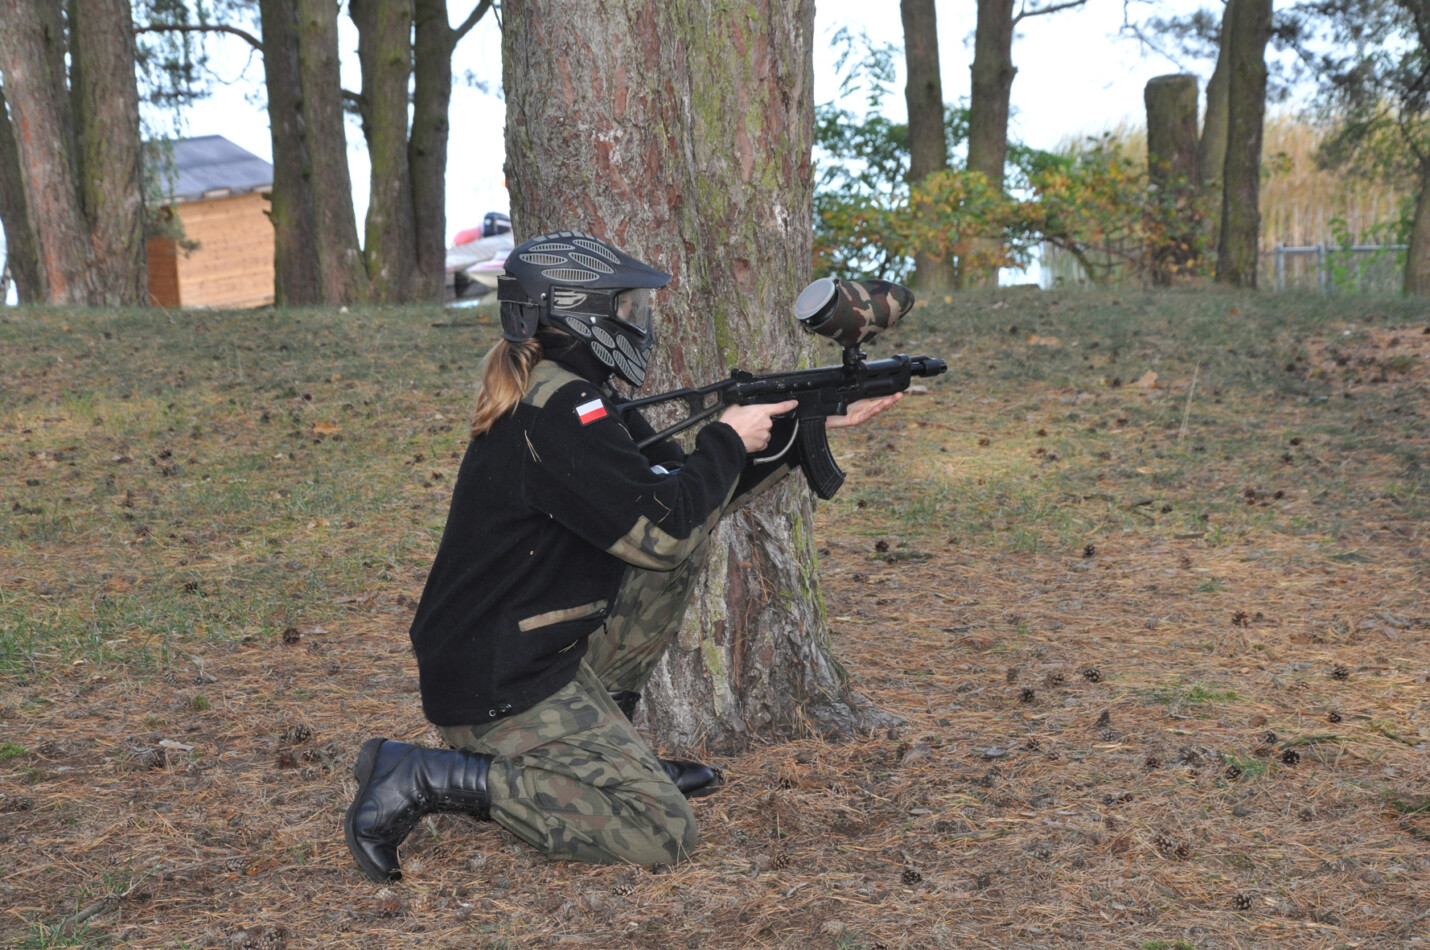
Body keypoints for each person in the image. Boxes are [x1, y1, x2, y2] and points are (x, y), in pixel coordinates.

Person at [344, 231, 903, 881]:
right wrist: (726, 437)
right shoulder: (561, 411)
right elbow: (665, 529)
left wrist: (806, 425)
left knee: (679, 548)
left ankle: (607, 753)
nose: (639, 320)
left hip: (512, 655)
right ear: (578, 314)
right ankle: (423, 775)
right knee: (661, 830)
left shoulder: (573, 393)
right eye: (627, 306)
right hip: (498, 685)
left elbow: (683, 495)